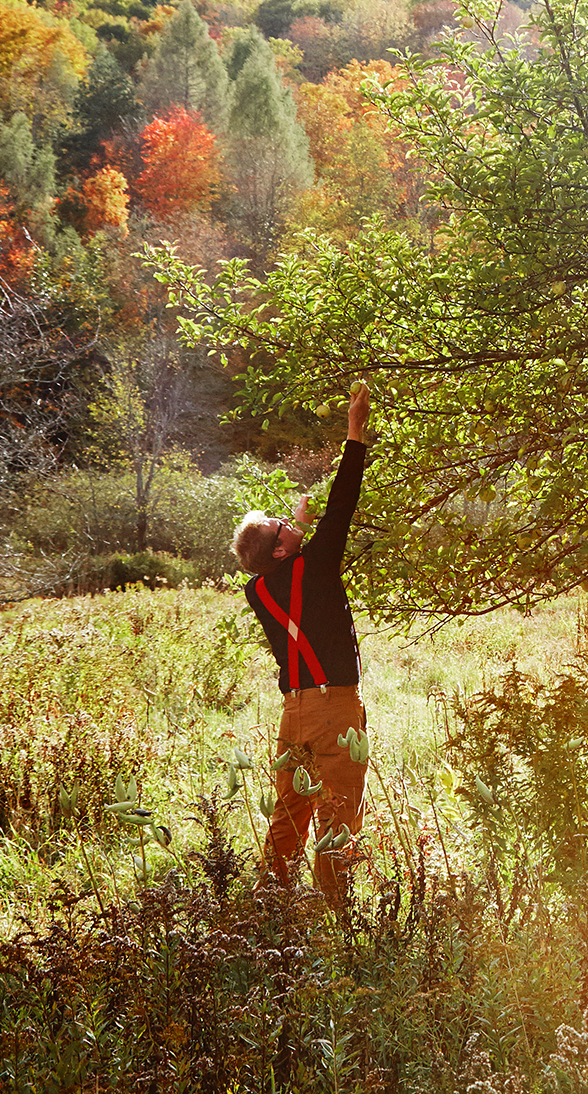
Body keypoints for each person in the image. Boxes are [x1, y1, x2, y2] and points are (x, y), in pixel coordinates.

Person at [232, 381, 369, 908]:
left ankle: (273, 908)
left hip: (294, 714)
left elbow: (296, 562)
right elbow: (344, 502)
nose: (289, 521)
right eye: (281, 525)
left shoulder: (258, 589)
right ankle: (339, 914)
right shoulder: (309, 566)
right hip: (333, 707)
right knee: (339, 813)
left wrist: (298, 533)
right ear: (285, 549)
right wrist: (354, 431)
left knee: (289, 813)